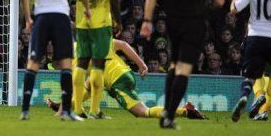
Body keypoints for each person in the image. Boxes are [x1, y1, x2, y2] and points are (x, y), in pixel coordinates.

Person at [140, 0, 225, 129]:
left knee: (172, 65)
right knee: (184, 69)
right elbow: (220, 0)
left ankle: (167, 113)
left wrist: (147, 21)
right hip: (195, 23)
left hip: (172, 21)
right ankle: (168, 115)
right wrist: (205, 7)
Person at [19, 0, 90, 121]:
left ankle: (25, 111)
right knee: (66, 64)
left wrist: (27, 18)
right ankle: (66, 111)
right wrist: (88, 10)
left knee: (33, 63)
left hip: (41, 17)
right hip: (60, 17)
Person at [46, 39, 207, 120]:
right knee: (90, 85)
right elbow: (123, 44)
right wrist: (142, 64)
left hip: (117, 81)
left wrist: (60, 113)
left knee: (144, 112)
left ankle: (185, 111)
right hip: (125, 73)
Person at [73, 0, 122, 119]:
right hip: (101, 23)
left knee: (82, 63)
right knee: (98, 64)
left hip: (82, 23)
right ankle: (95, 110)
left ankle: (77, 109)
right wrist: (118, 21)